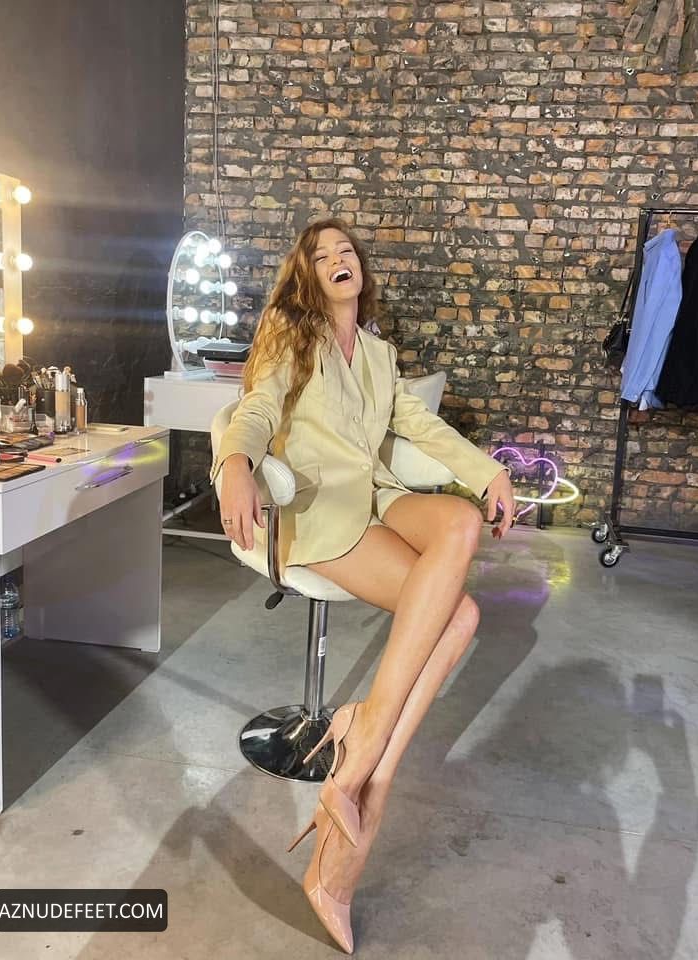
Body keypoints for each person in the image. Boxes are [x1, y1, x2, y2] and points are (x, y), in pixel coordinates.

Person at [211, 217, 515, 953]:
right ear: (308, 275)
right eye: (322, 255)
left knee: (461, 521)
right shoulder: (289, 336)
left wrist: (489, 471)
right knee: (461, 618)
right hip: (319, 513)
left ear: (360, 269)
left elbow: (420, 428)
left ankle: (361, 744)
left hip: (376, 498)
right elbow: (255, 410)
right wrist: (234, 463)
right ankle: (362, 791)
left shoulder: (379, 353)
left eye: (346, 250)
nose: (338, 259)